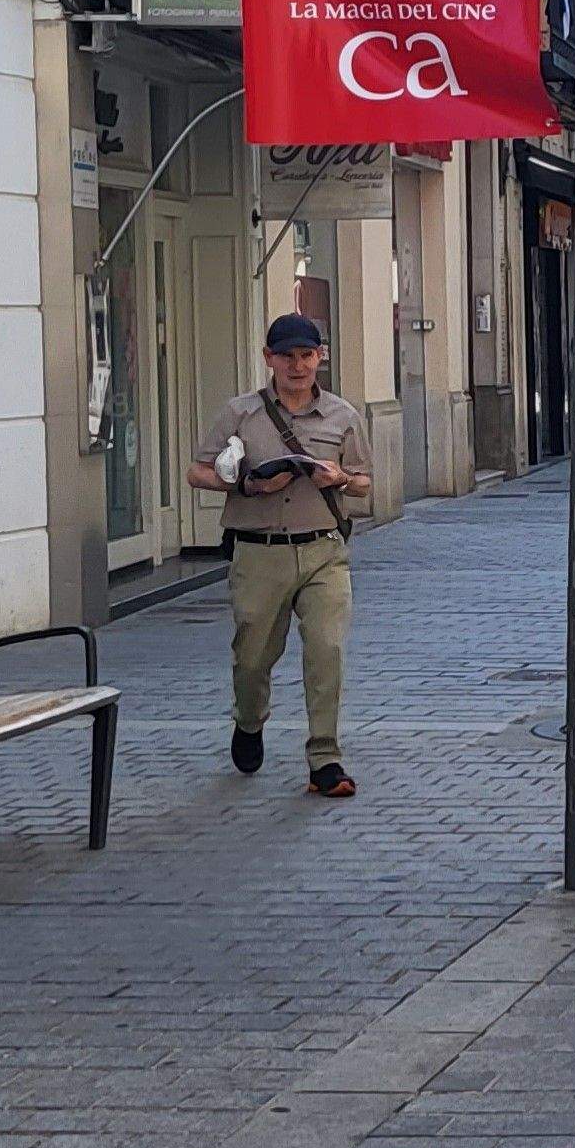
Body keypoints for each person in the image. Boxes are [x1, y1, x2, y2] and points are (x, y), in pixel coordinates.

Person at [188, 313, 374, 799]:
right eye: (286, 356)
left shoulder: (343, 416)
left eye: (306, 355)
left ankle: (325, 759)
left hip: (323, 551)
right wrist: (248, 483)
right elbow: (198, 472)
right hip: (258, 551)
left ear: (321, 357)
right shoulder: (240, 414)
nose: (297, 365)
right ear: (268, 358)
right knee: (253, 657)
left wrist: (339, 480)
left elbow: (366, 485)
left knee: (327, 650)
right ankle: (249, 722)